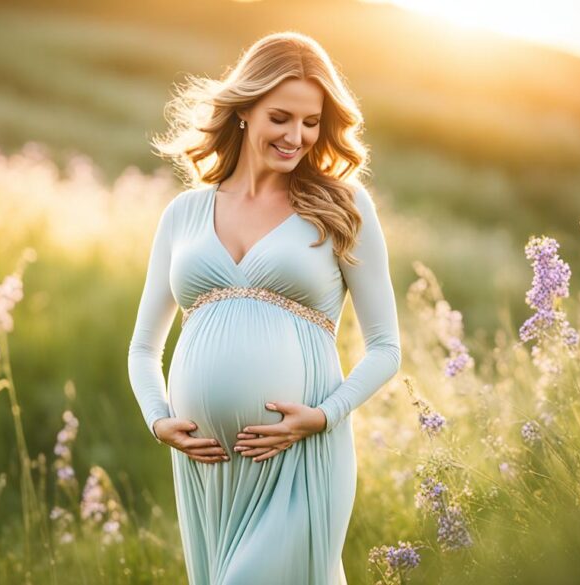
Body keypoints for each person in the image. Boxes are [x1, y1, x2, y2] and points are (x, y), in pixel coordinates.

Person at [129, 31, 401, 584]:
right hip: (209, 471)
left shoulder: (342, 206)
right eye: (281, 117)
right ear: (245, 110)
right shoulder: (184, 214)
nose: (296, 136)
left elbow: (386, 348)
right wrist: (157, 420)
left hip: (299, 459)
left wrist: (325, 415)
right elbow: (143, 347)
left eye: (310, 122)